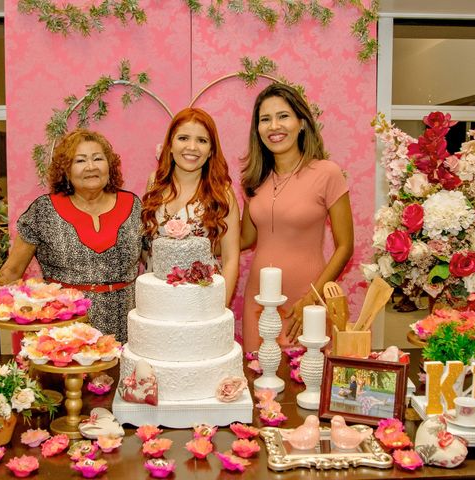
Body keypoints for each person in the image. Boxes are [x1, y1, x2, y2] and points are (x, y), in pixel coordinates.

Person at [0, 129, 142, 355]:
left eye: (98, 158)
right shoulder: (44, 211)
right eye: (80, 160)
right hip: (64, 330)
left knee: (127, 388)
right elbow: (10, 272)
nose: (91, 166)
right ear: (66, 171)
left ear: (109, 166)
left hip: (127, 329)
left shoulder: (134, 206)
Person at [240, 83, 354, 352]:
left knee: (306, 385)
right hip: (258, 304)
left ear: (301, 123)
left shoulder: (327, 173)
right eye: (265, 119)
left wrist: (312, 299)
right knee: (259, 383)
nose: (274, 126)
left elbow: (346, 246)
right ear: (257, 130)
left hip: (307, 303)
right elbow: (245, 238)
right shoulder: (253, 180)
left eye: (283, 116)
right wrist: (191, 240)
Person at [142, 107, 239, 305]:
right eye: (183, 138)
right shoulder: (155, 183)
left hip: (201, 299)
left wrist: (220, 308)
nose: (192, 147)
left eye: (202, 141)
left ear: (211, 150)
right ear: (169, 144)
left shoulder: (221, 192)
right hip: (157, 298)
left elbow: (230, 258)